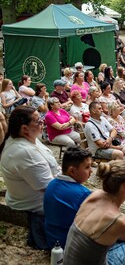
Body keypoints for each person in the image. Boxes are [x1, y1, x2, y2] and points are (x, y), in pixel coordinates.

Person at [0, 106, 61, 249]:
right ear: (24, 128)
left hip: (48, 191)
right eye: (38, 121)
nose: (42, 123)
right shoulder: (24, 152)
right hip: (36, 205)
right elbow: (47, 188)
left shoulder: (30, 139)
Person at [43, 147, 92, 249]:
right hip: (70, 246)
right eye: (87, 167)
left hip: (52, 239)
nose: (91, 171)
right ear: (72, 171)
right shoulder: (83, 194)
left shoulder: (52, 184)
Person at [84, 102, 125, 180]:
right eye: (99, 108)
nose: (102, 110)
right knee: (119, 154)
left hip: (109, 144)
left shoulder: (103, 119)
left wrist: (110, 139)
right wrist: (116, 147)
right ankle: (118, 177)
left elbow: (114, 130)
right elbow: (100, 144)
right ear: (93, 111)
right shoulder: (90, 126)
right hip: (98, 150)